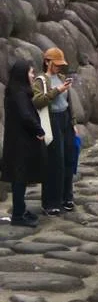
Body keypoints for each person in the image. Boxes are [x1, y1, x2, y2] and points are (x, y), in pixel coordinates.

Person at [2, 60, 46, 226]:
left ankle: (20, 210)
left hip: (17, 141)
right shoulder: (19, 93)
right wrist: (39, 131)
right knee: (19, 178)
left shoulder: (15, 91)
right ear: (22, 74)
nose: (33, 76)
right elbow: (26, 116)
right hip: (21, 143)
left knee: (19, 178)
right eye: (30, 73)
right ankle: (18, 215)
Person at [35, 48, 74, 215]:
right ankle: (51, 202)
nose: (59, 68)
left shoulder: (62, 78)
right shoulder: (41, 80)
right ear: (47, 62)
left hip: (65, 119)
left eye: (60, 65)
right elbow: (37, 101)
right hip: (51, 120)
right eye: (56, 64)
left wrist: (73, 123)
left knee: (68, 159)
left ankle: (67, 197)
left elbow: (69, 102)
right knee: (54, 162)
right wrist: (57, 91)